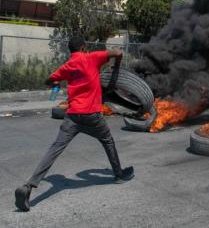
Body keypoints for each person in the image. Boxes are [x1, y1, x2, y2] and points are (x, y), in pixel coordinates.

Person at [15, 37, 133, 212]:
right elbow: (118, 52)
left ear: (71, 51)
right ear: (84, 48)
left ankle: (29, 186)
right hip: (92, 116)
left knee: (54, 149)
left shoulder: (67, 66)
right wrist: (115, 69)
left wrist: (57, 82)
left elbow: (49, 80)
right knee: (107, 141)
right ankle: (119, 174)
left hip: (72, 117)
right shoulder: (92, 57)